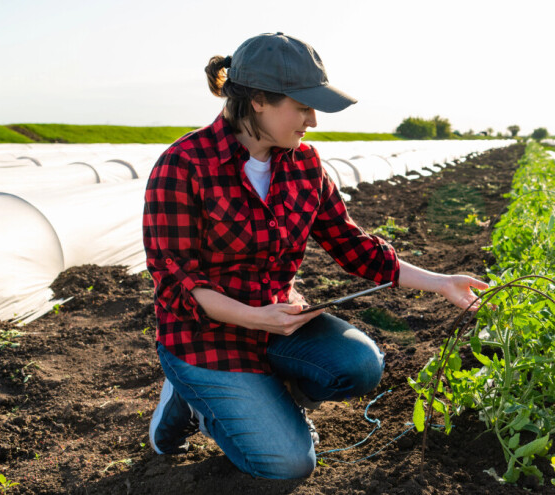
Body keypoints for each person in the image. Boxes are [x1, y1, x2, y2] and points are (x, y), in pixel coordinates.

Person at [142, 32, 488, 479]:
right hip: (205, 339)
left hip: (278, 323)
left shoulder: (304, 163)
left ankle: (260, 395)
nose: (313, 121)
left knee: (360, 365)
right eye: (303, 106)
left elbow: (352, 246)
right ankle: (193, 401)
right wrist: (258, 318)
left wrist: (440, 282)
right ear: (260, 100)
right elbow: (178, 284)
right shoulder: (183, 165)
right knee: (288, 464)